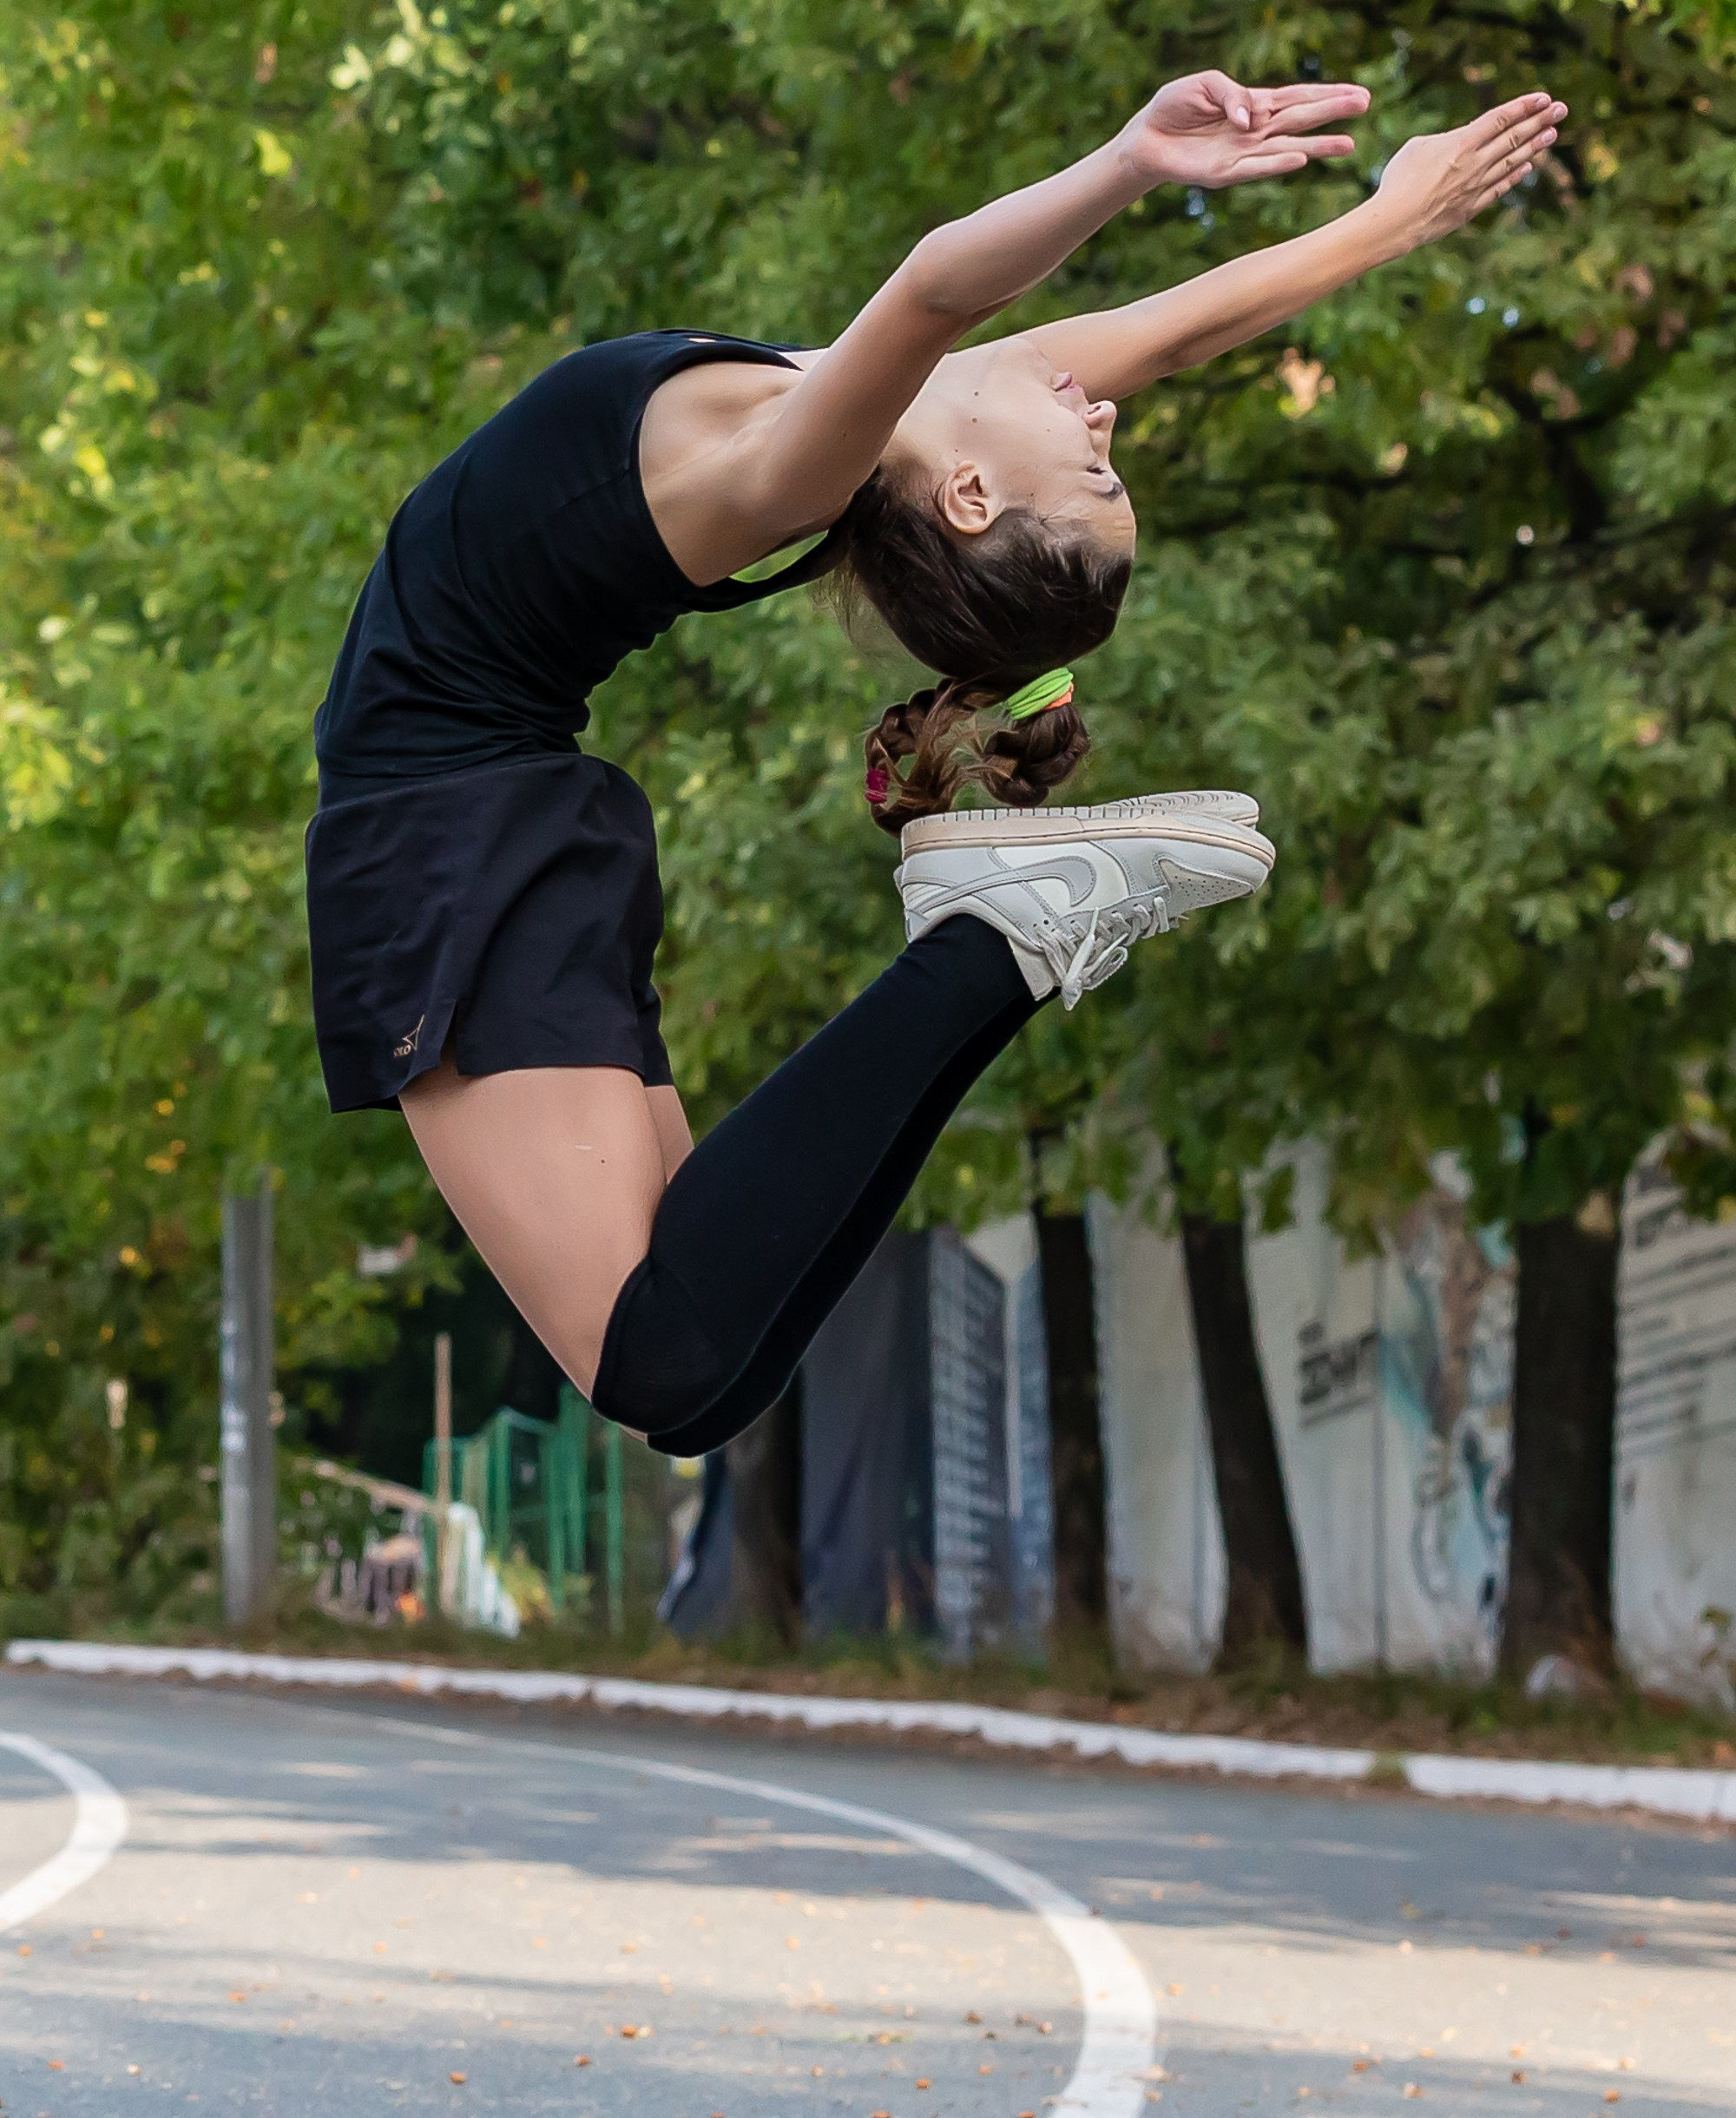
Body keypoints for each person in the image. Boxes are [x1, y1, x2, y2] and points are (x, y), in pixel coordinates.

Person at [307, 72, 1565, 1455]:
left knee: (660, 1360)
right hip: (506, 807)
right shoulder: (880, 410)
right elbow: (1181, 332)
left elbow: (938, 284)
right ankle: (992, 949)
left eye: (1093, 474)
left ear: (971, 495)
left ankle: (986, 948)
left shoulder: (792, 469)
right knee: (703, 1383)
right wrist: (1390, 219)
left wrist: (1129, 164)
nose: (1104, 421)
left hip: (437, 827)